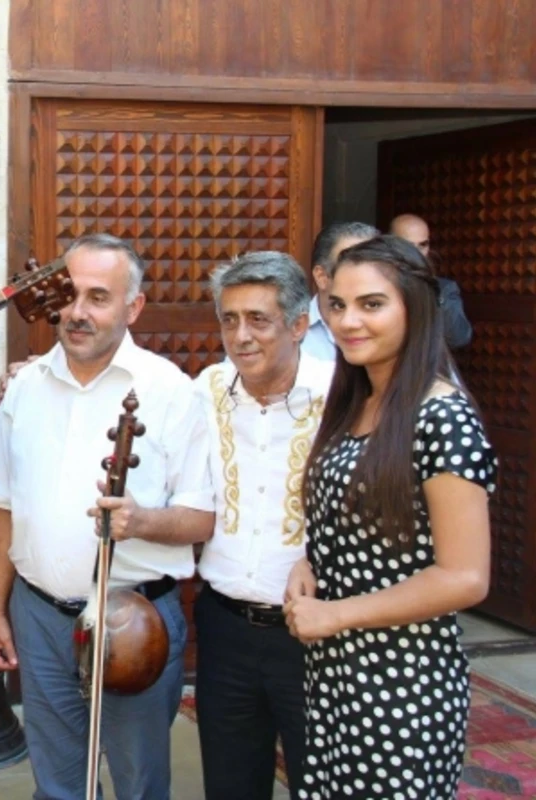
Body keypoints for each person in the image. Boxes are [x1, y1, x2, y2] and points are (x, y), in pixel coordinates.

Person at [0, 232, 214, 799]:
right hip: (39, 617)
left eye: (99, 297)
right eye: (71, 294)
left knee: (138, 784)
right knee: (58, 784)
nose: (78, 313)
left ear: (133, 307)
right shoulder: (25, 386)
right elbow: (4, 505)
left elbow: (201, 519)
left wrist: (142, 520)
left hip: (133, 621)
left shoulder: (170, 391)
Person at [285, 235, 496, 799]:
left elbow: (465, 576)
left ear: (416, 307)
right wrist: (310, 561)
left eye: (371, 304)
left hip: (400, 685)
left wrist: (336, 616)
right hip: (336, 674)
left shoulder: (442, 416)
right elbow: (370, 521)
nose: (348, 320)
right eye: (337, 305)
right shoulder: (359, 398)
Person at [192, 252, 333, 800]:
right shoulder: (205, 389)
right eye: (229, 319)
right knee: (230, 784)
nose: (240, 336)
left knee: (319, 782)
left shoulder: (342, 395)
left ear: (299, 324)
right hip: (225, 625)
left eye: (258, 319)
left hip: (314, 635)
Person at [389, 212, 473, 348]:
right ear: (389, 245)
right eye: (408, 246)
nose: (416, 253)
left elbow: (459, 338)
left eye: (423, 245)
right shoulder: (374, 283)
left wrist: (435, 292)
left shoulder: (443, 288)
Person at [302, 222, 378, 361]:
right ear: (322, 277)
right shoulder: (290, 334)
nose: (366, 273)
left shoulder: (394, 331)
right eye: (351, 263)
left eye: (374, 263)